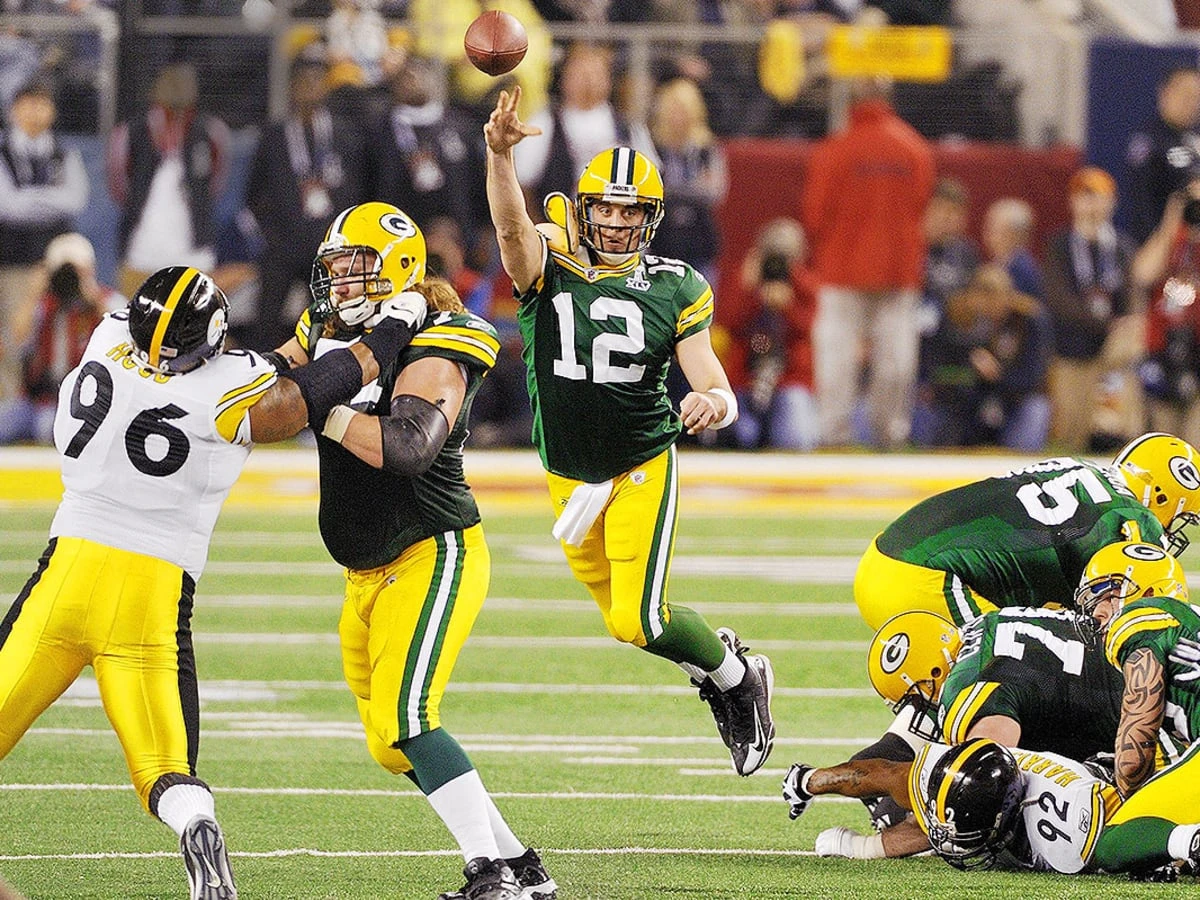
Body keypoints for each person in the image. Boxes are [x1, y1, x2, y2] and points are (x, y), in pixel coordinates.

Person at [0, 262, 422, 900]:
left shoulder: (108, 338)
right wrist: (387, 335)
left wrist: (298, 344)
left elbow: (247, 370)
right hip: (151, 595)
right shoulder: (227, 389)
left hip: (62, 576)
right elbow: (303, 396)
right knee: (166, 771)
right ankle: (196, 824)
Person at [484, 87, 777, 777]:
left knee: (640, 620)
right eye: (606, 208)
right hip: (566, 470)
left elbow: (710, 378)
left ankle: (736, 677)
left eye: (630, 211)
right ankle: (720, 662)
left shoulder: (676, 285)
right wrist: (499, 159)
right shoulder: (547, 266)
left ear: (651, 219)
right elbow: (509, 231)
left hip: (640, 459)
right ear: (584, 210)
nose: (616, 222)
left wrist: (713, 402)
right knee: (622, 619)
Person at [268, 201, 556, 900]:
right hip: (363, 570)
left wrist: (322, 408)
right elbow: (262, 391)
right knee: (388, 741)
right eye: (333, 269)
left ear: (397, 269)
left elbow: (406, 447)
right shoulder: (329, 326)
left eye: (355, 268)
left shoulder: (443, 336)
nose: (339, 284)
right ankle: (521, 865)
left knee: (407, 718)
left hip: (432, 550)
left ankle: (487, 876)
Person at [854, 431, 1200, 630]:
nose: (1174, 530)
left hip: (885, 557)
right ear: (1163, 493)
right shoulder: (1133, 518)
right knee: (1024, 670)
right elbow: (1142, 627)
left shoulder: (1076, 466)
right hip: (926, 578)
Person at [800, 75, 935, 449]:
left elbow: (815, 214)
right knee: (896, 361)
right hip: (898, 270)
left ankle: (833, 435)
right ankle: (889, 435)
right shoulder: (914, 149)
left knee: (836, 359)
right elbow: (922, 204)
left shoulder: (834, 150)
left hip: (841, 268)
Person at [1076, 540, 1200, 878]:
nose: (1094, 609)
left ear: (1140, 589)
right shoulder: (1188, 624)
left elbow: (1134, 754)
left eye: (1102, 592)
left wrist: (1134, 808)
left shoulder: (1137, 619)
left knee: (1114, 844)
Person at [242, 44, 369, 351]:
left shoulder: (345, 135)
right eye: (303, 81)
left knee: (337, 324)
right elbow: (254, 194)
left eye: (316, 80)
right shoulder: (273, 135)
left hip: (328, 250)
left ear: (326, 86)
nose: (310, 88)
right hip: (283, 247)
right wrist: (272, 237)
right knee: (266, 324)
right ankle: (259, 380)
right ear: (291, 87)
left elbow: (360, 189)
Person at [105, 61, 231, 299]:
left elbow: (215, 183)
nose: (177, 89)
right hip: (141, 248)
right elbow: (118, 184)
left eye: (183, 83)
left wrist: (196, 202)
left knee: (192, 325)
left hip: (193, 248)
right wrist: (138, 205)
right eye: (171, 83)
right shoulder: (131, 131)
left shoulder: (211, 131)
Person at [0, 77, 89, 405]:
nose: (35, 112)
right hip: (12, 261)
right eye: (27, 103)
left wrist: (26, 198)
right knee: (13, 337)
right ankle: (7, 412)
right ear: (13, 109)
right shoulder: (4, 150)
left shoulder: (64, 152)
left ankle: (60, 407)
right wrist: (49, 199)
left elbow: (76, 200)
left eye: (42, 103)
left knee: (57, 336)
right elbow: (6, 205)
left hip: (55, 265)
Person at [1043, 166, 1142, 453]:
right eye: (1084, 196)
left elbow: (1131, 296)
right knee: (1072, 435)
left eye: (1098, 197)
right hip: (1073, 352)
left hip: (1112, 357)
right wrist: (1106, 324)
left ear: (1111, 202)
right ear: (1073, 202)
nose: (1091, 204)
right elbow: (1059, 300)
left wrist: (1121, 326)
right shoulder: (1060, 244)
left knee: (1114, 432)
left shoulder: (1121, 247)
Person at [1, 232, 123, 444]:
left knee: (48, 426)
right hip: (37, 400)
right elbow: (14, 344)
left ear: (90, 270)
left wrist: (93, 299)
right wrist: (33, 295)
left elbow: (124, 344)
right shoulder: (41, 305)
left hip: (83, 403)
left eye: (76, 272)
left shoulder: (108, 302)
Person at [922, 264, 1053, 450]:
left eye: (996, 298)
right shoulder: (955, 318)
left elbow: (1033, 378)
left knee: (1036, 408)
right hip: (966, 404)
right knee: (933, 413)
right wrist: (970, 374)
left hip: (1014, 401)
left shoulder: (1030, 320)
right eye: (983, 298)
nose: (988, 308)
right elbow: (939, 374)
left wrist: (997, 375)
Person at [513, 42, 657, 207]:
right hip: (558, 224)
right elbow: (523, 183)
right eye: (581, 74)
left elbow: (651, 180)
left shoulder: (628, 128)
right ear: (563, 79)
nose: (589, 80)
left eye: (596, 73)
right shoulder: (544, 123)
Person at [726, 216, 819, 451]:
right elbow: (728, 323)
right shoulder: (745, 278)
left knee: (797, 440)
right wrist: (750, 292)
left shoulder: (804, 282)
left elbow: (808, 328)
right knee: (742, 438)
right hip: (745, 379)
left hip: (789, 379)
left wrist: (788, 305)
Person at [1133, 176, 1200, 447]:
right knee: (1164, 441)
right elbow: (1143, 274)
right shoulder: (1172, 236)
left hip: (1197, 348)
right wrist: (1172, 220)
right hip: (1163, 347)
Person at [1125, 65, 1200, 245]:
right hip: (1156, 245)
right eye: (1185, 94)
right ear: (1165, 93)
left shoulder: (1192, 139)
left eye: (1196, 97)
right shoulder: (1150, 141)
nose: (1191, 103)